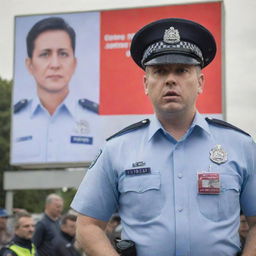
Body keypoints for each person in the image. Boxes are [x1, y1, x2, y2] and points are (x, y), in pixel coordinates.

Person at [71, 18, 256, 256]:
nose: (170, 79)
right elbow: (87, 226)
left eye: (181, 70)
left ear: (200, 82)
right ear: (146, 83)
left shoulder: (240, 146)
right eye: (160, 71)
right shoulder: (117, 149)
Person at [12, 16, 100, 165]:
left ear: (74, 63)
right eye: (45, 54)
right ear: (29, 64)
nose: (55, 64)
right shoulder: (17, 119)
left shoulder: (96, 118)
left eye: (63, 54)